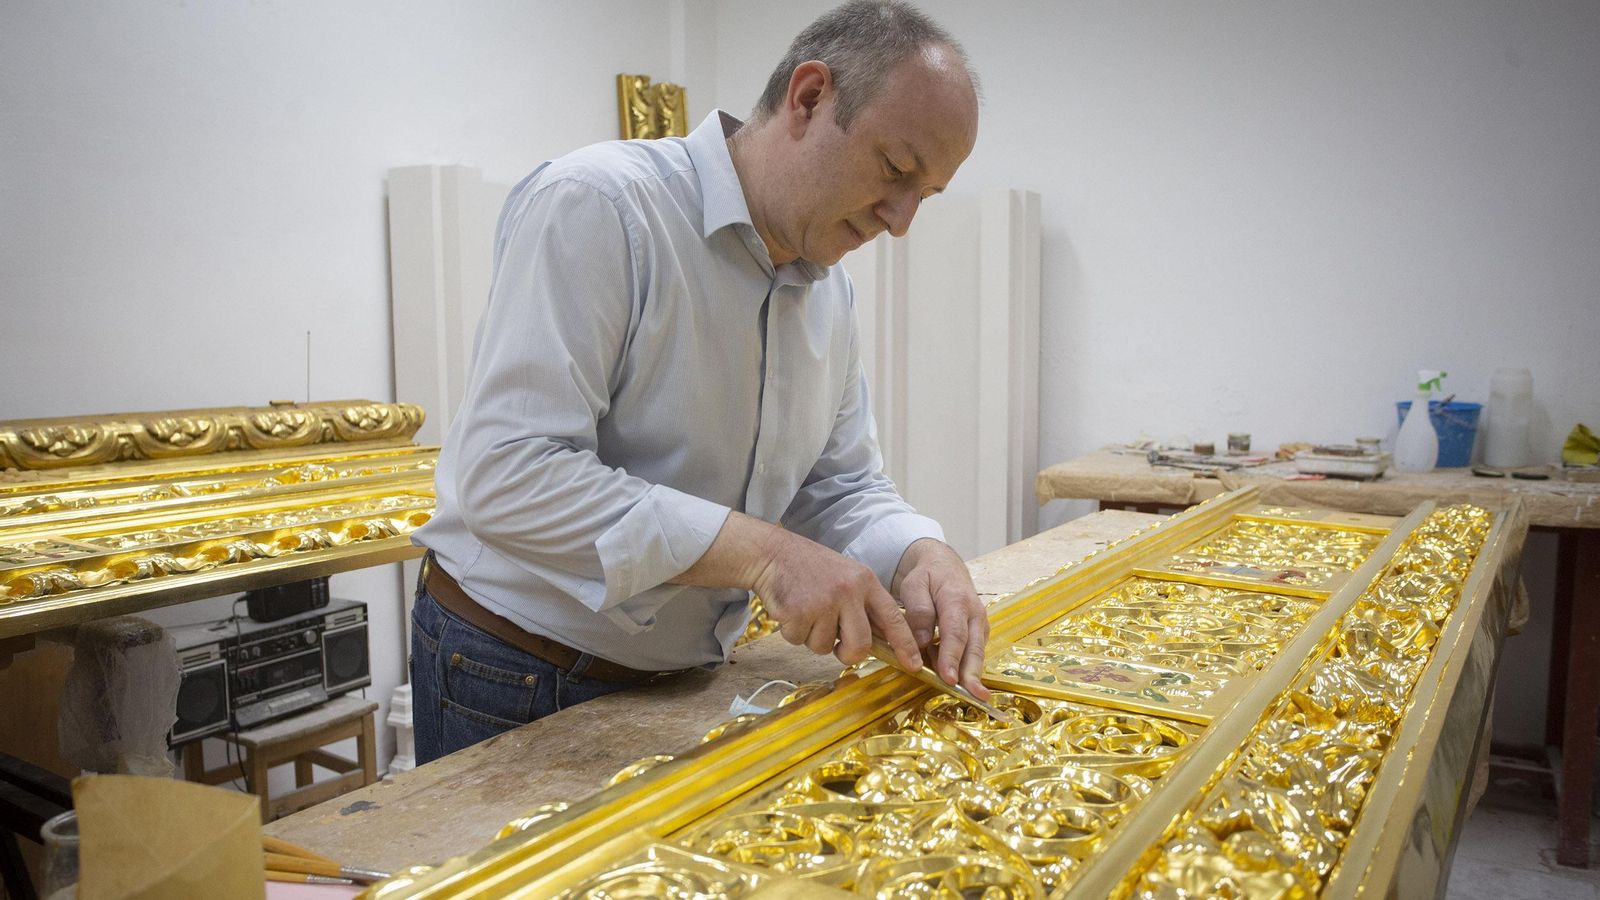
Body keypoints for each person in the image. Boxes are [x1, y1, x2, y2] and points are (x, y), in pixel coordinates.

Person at [409, 0, 986, 764]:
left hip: (682, 677)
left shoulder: (828, 288)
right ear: (809, 98)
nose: (901, 218)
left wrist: (919, 552)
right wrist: (768, 556)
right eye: (896, 169)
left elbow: (838, 485)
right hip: (515, 666)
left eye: (927, 195)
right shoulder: (602, 207)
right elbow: (506, 475)